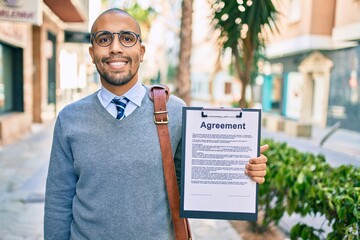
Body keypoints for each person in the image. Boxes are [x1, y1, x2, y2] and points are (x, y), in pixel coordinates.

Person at [44, 8, 268, 240]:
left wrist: (242, 169)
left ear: (141, 52)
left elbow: (195, 184)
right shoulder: (69, 119)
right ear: (92, 53)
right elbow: (58, 201)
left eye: (127, 38)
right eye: (104, 39)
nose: (115, 47)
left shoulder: (176, 111)